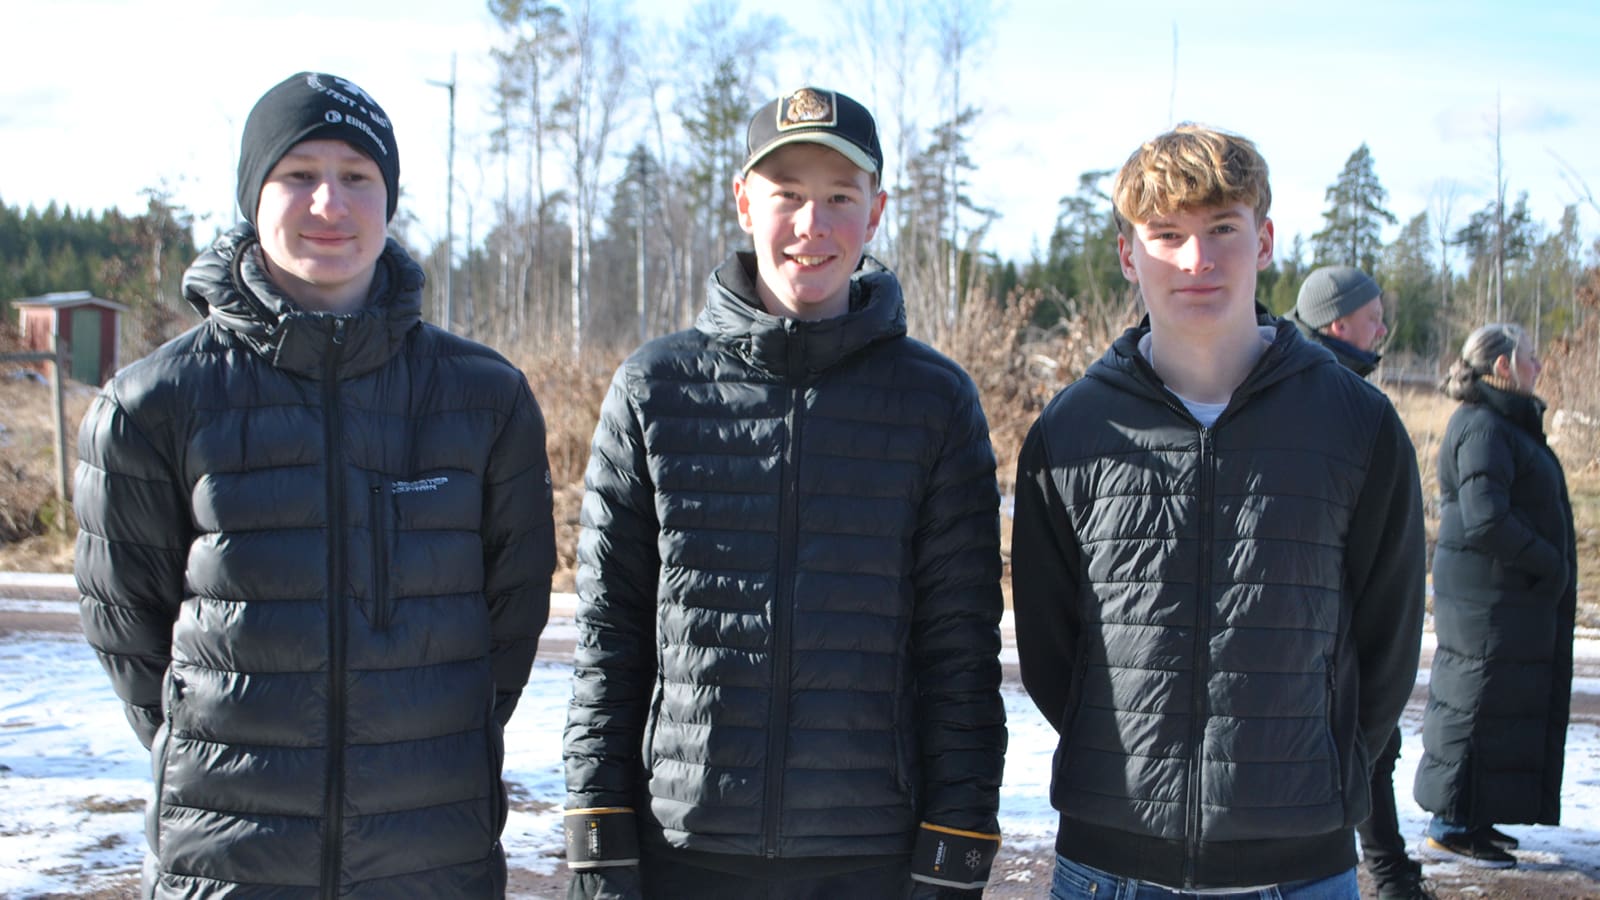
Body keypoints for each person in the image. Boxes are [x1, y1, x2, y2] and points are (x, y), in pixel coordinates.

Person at [73, 71, 556, 898]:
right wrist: (213, 742)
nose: (330, 203)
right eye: (299, 174)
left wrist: (432, 740)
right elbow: (130, 628)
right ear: (253, 195)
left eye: (357, 176)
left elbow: (511, 615)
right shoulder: (154, 404)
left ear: (388, 199)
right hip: (228, 859)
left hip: (429, 853)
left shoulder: (485, 398)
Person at [561, 86, 1007, 899]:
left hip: (870, 860)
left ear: (876, 213)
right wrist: (598, 838)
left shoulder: (934, 403)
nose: (813, 224)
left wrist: (957, 847)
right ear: (743, 202)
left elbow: (961, 652)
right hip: (684, 852)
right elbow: (608, 635)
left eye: (840, 197)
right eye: (788, 194)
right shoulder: (655, 389)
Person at [1010, 123, 1427, 899]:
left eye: (1222, 229)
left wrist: (1319, 772)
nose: (1196, 260)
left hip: (1300, 870)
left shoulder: (1356, 425)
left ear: (1264, 241)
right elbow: (1049, 648)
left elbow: (1389, 640)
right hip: (1110, 866)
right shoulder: (1073, 432)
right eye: (1167, 234)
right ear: (1128, 254)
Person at [1413, 323, 1578, 869]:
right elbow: (1486, 518)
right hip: (1489, 597)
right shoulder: (1484, 425)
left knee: (1494, 704)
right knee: (1475, 702)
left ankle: (1473, 814)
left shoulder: (1501, 423)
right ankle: (1452, 825)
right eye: (1530, 356)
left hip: (1502, 595)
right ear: (1502, 366)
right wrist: (1548, 561)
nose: (1539, 365)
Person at [1295, 265, 1431, 899]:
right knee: (1364, 749)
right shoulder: (1320, 395)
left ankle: (1388, 870)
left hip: (1341, 626)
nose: (1382, 329)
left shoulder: (1342, 391)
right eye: (1374, 317)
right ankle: (1389, 875)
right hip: (1323, 632)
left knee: (1371, 747)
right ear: (1338, 322)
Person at [1290, 264, 1389, 377]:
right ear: (1340, 327)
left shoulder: (1293, 374)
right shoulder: (1322, 385)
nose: (1383, 330)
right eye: (1374, 319)